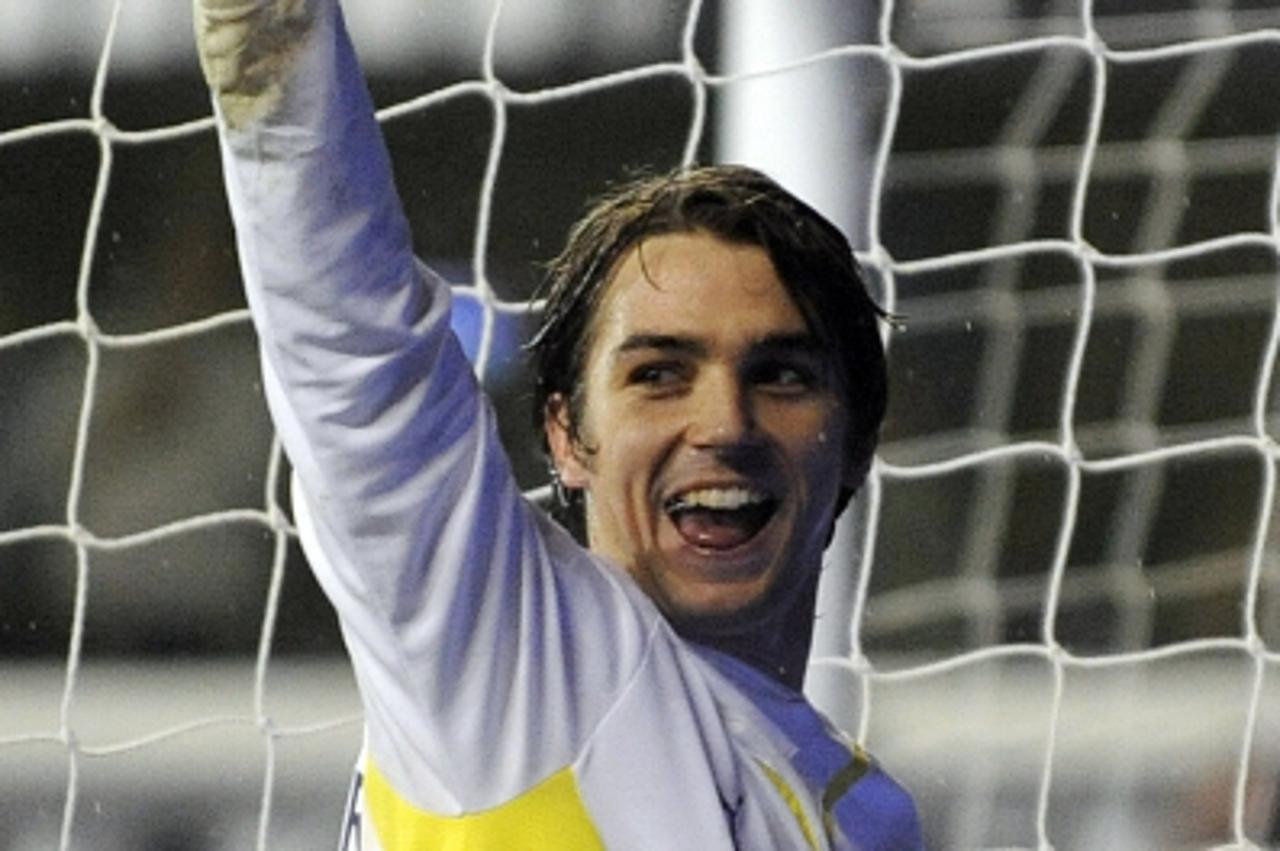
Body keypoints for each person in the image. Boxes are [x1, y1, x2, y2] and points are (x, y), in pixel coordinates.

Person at [194, 1, 923, 848]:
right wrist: (276, 43)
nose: (726, 423)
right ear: (566, 436)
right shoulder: (507, 663)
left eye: (781, 375)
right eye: (659, 375)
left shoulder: (871, 811)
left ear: (856, 440)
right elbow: (357, 361)